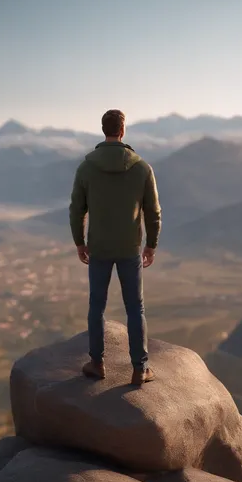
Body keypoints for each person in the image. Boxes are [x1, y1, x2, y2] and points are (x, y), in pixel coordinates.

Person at [69, 109, 162, 385]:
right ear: (123, 131)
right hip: (129, 248)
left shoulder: (86, 167)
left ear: (103, 130)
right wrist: (151, 244)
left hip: (98, 247)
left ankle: (97, 363)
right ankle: (140, 368)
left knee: (96, 305)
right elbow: (153, 211)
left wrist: (79, 241)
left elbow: (76, 209)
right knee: (135, 308)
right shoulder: (142, 168)